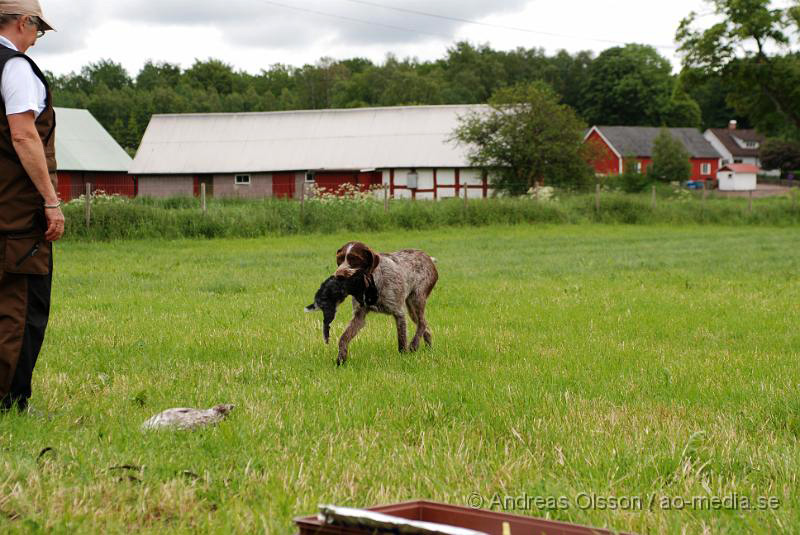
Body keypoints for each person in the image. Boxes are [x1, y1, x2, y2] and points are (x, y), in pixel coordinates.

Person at [0, 0, 61, 413]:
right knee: (20, 309)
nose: (36, 40)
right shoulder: (16, 69)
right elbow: (24, 136)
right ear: (25, 22)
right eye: (37, 30)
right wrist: (51, 200)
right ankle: (10, 401)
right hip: (16, 215)